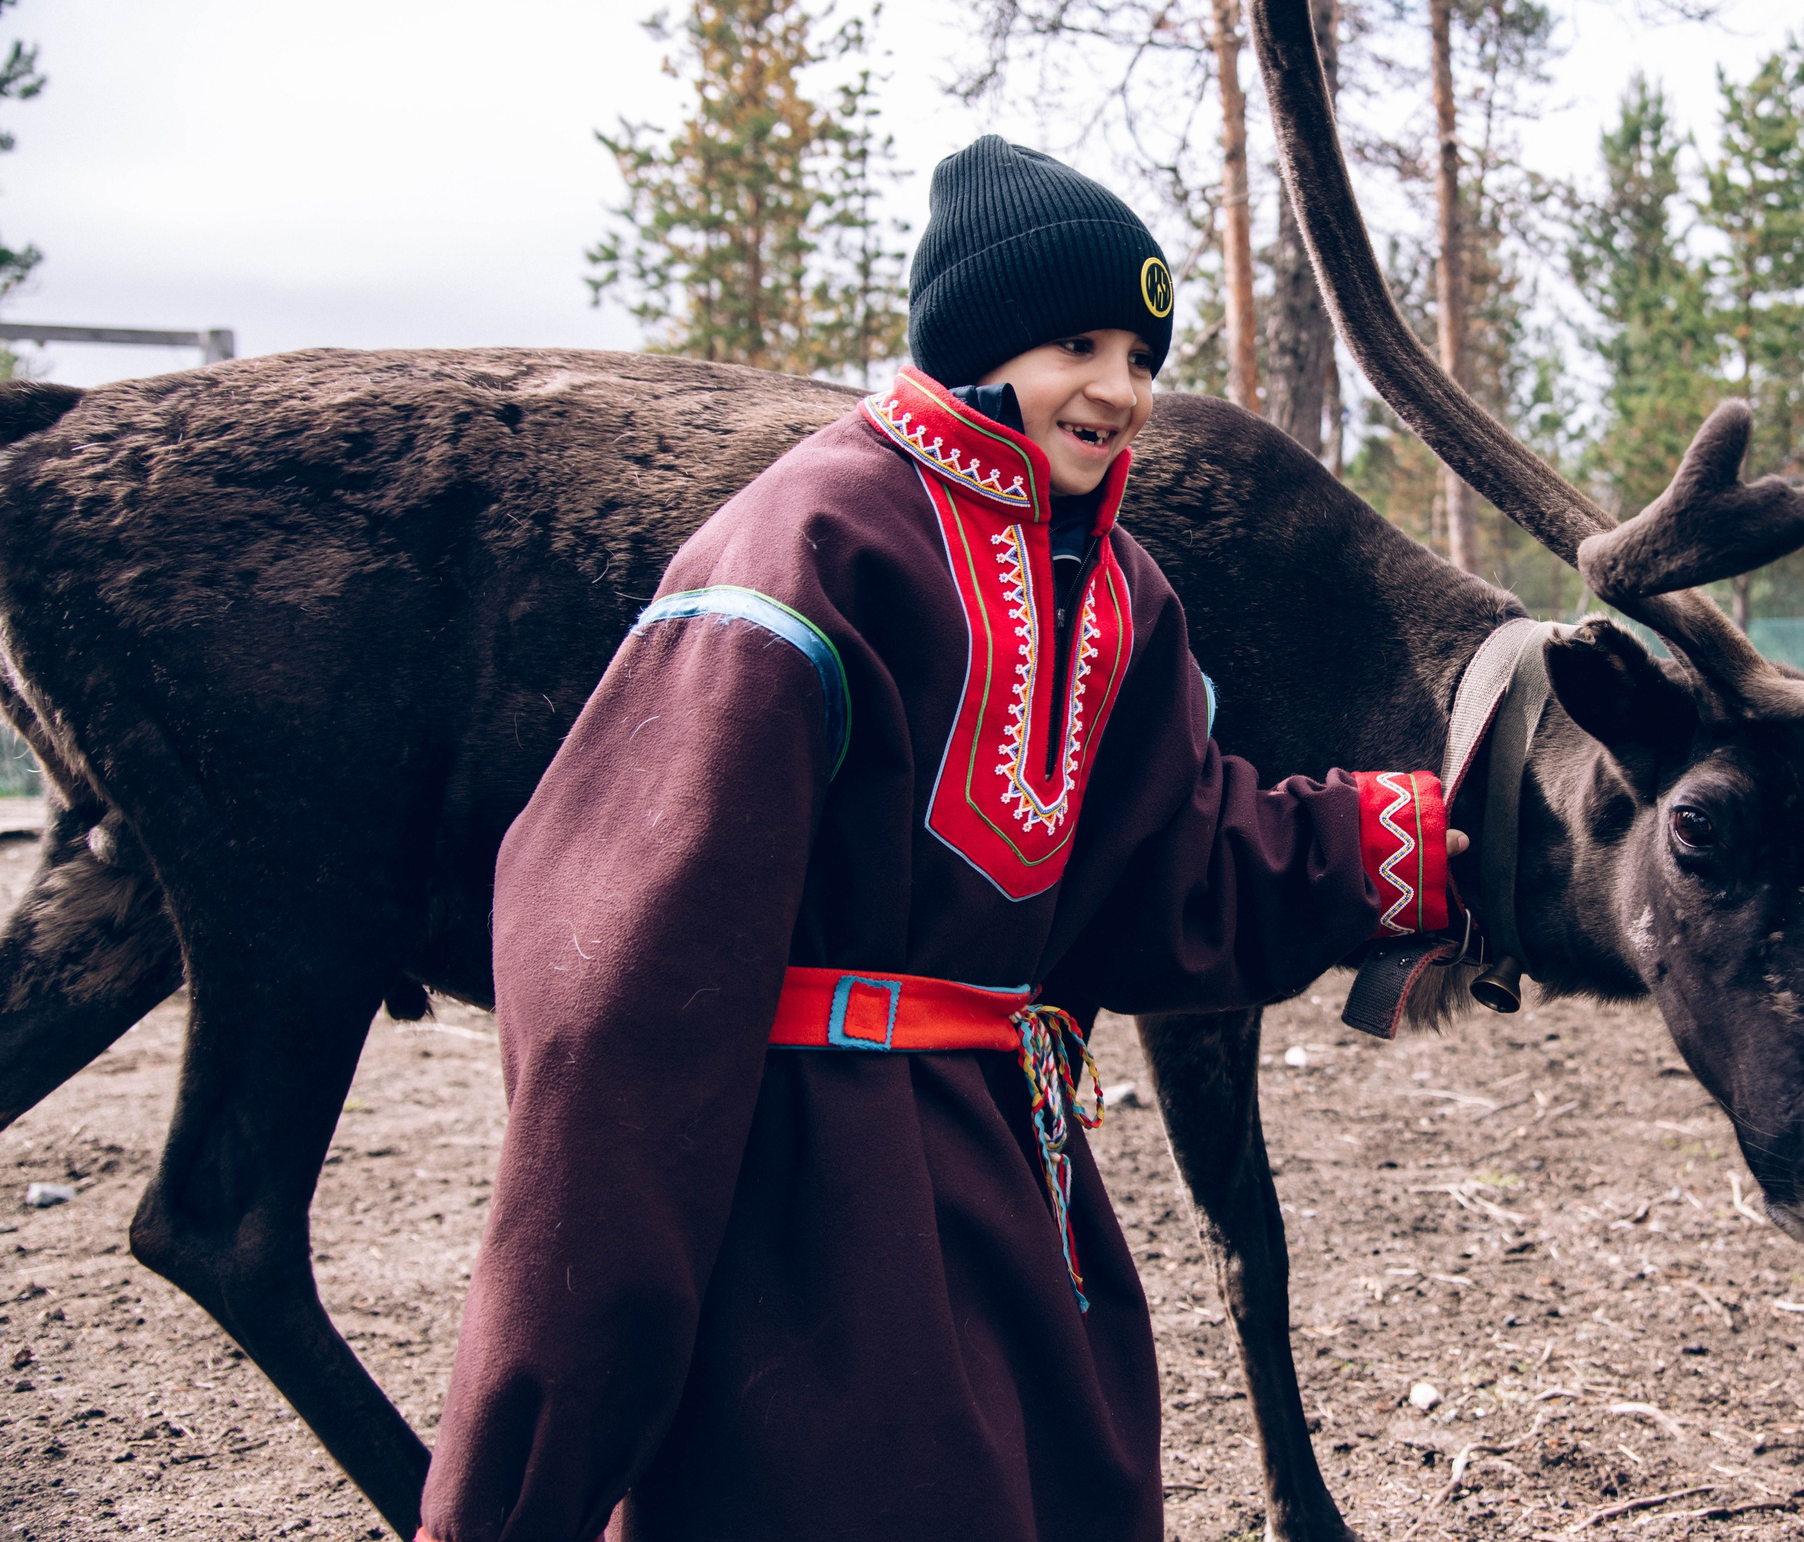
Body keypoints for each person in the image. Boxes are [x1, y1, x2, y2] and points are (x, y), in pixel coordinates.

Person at [418, 136, 1456, 1542]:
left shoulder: (1119, 595)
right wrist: (522, 1464)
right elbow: (621, 983)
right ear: (972, 341)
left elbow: (1173, 872)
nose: (1121, 389)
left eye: (1145, 355)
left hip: (1011, 1178)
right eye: (1077, 341)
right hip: (804, 1202)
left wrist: (1422, 844)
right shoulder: (808, 544)